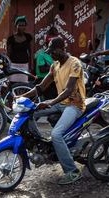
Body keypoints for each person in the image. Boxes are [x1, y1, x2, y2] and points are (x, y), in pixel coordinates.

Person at [21, 37, 87, 185]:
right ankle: (42, 145)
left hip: (74, 105)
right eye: (50, 52)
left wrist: (50, 102)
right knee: (30, 112)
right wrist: (21, 96)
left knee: (56, 134)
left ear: (61, 49)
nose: (51, 55)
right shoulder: (55, 66)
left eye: (53, 52)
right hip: (60, 103)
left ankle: (72, 171)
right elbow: (41, 87)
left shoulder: (75, 63)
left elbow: (69, 90)